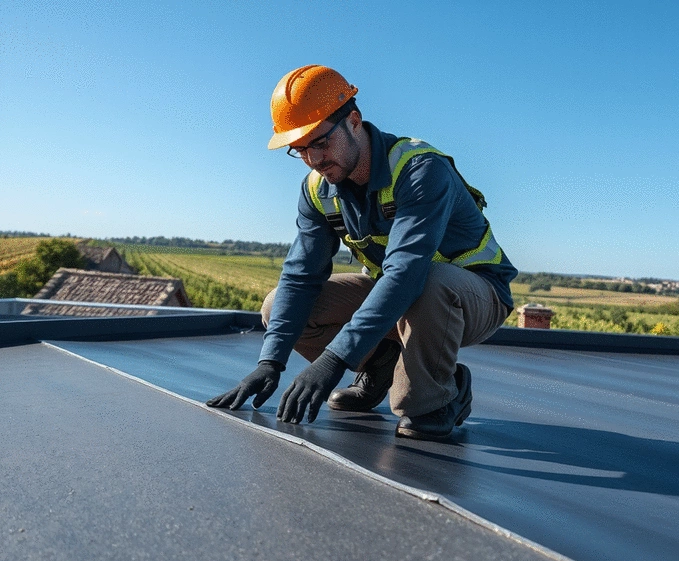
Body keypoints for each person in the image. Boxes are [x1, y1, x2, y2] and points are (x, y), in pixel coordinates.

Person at [207, 65, 518, 440]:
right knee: (277, 306)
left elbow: (406, 272)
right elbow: (300, 277)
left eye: (320, 142)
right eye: (299, 150)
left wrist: (335, 359)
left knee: (427, 297)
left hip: (471, 296)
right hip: (402, 294)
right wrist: (270, 361)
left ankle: (442, 394)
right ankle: (379, 362)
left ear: (354, 120)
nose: (314, 160)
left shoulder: (418, 169)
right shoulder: (318, 190)